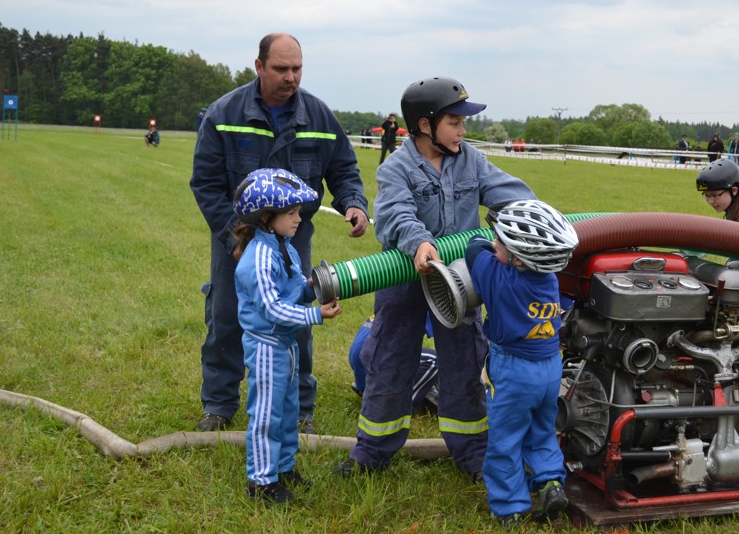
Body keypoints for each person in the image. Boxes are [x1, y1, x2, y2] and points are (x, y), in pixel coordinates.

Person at [336, 76, 536, 480]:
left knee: (464, 361)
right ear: (425, 126)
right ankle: (372, 451)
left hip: (460, 281)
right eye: (455, 122)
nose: (464, 130)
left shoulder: (471, 160)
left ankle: (473, 453)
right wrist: (419, 243)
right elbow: (394, 213)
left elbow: (511, 193)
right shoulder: (397, 167)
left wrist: (536, 220)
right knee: (391, 359)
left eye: (463, 122)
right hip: (405, 276)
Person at [190, 32, 369, 434]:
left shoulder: (320, 118)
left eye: (297, 69)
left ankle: (300, 407)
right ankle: (218, 405)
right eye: (281, 69)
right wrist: (235, 239)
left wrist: (353, 203)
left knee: (296, 321)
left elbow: (343, 169)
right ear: (258, 67)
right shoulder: (224, 114)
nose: (291, 77)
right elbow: (205, 184)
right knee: (226, 316)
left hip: (292, 241)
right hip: (236, 242)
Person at [231, 168, 342, 505]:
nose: (298, 219)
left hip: (287, 345)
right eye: (291, 213)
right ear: (267, 217)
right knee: (267, 414)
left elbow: (292, 289)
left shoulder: (285, 247)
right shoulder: (258, 258)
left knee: (288, 407)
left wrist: (313, 289)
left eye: (299, 213)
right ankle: (261, 482)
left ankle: (283, 466)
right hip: (266, 346)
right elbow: (272, 310)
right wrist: (315, 315)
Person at [465, 200, 578, 525]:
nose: (495, 243)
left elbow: (475, 250)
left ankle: (510, 506)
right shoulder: (550, 280)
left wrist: (487, 245)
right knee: (542, 431)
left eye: (501, 241)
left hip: (514, 371)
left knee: (505, 439)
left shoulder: (501, 280)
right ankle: (550, 483)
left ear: (518, 257)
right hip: (549, 368)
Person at [349, 313, 439, 414]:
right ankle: (398, 406)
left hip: (363, 366)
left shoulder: (392, 301)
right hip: (376, 366)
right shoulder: (427, 307)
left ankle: (369, 390)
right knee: (435, 361)